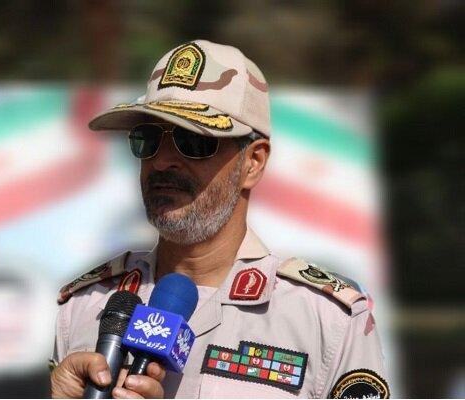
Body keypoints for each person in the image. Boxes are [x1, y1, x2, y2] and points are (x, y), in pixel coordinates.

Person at [50, 40, 389, 399]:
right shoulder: (85, 306)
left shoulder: (328, 320)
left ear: (253, 163)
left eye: (193, 141)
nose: (161, 161)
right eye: (148, 139)